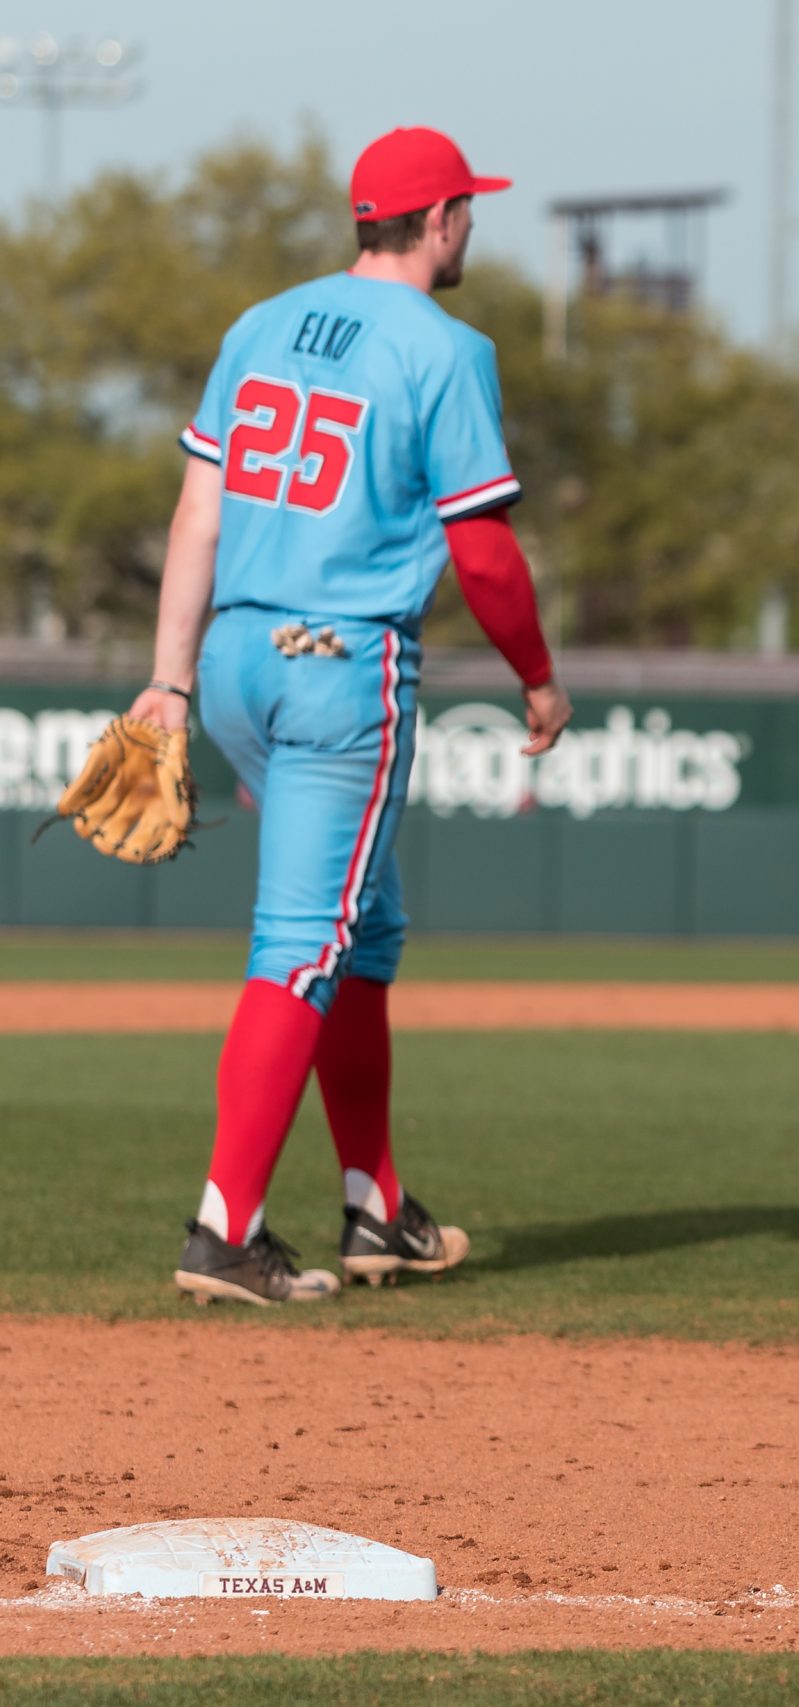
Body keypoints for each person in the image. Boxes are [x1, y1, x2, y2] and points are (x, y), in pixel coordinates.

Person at [139, 126, 571, 1305]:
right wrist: (534, 673)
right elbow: (481, 553)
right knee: (307, 944)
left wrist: (169, 684)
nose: (472, 222)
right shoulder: (446, 347)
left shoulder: (259, 325)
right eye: (467, 207)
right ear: (437, 220)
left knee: (359, 932)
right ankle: (225, 1230)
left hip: (232, 658)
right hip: (341, 668)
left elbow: (196, 514)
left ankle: (377, 1211)